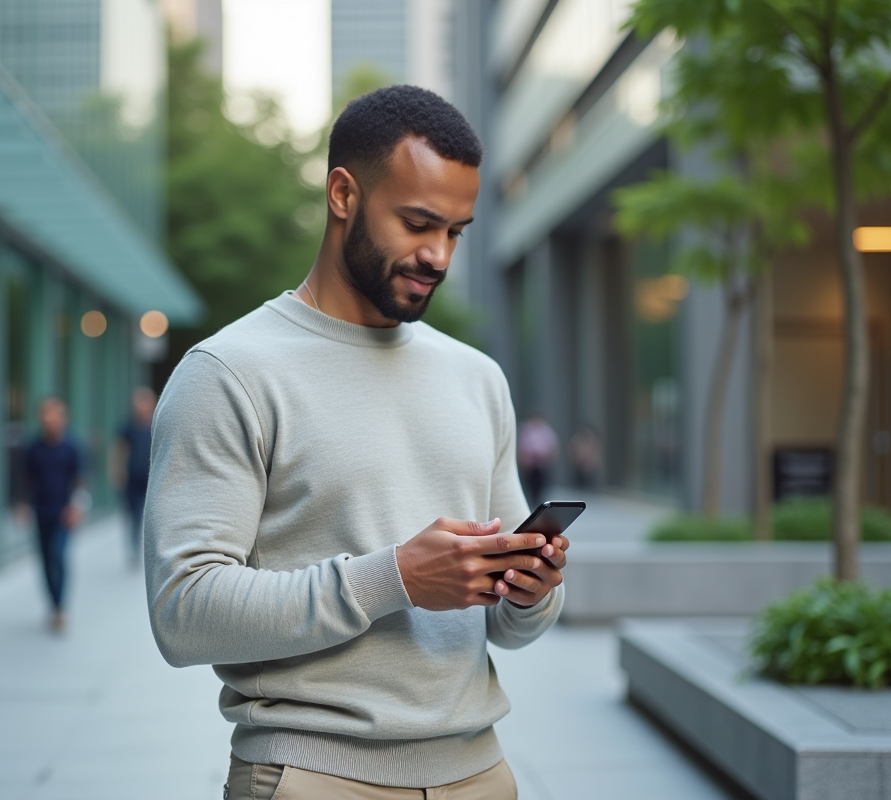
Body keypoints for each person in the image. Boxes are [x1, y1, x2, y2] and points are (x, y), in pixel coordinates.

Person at [146, 85, 567, 799]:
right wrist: (396, 578)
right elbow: (183, 612)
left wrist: (529, 592)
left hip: (480, 774)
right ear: (343, 193)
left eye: (455, 232)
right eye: (417, 223)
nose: (437, 255)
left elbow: (507, 627)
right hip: (313, 775)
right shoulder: (229, 372)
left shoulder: (477, 377)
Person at [24, 397, 84, 633]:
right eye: (45, 414)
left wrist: (77, 507)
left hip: (63, 513)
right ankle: (52, 604)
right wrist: (21, 504)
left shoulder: (71, 447)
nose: (49, 419)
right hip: (41, 511)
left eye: (54, 414)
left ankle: (60, 607)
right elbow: (26, 478)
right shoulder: (34, 447)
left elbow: (80, 480)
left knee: (58, 556)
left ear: (63, 417)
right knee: (45, 560)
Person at [113, 387, 155, 567]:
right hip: (132, 476)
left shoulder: (156, 424)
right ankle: (134, 548)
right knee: (133, 514)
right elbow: (119, 449)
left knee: (152, 515)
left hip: (152, 477)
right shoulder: (128, 426)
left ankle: (151, 551)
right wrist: (117, 469)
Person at [517, 412, 560, 506]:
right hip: (530, 467)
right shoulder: (527, 430)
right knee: (531, 488)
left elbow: (552, 448)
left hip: (542, 466)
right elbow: (522, 448)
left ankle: (539, 502)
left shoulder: (546, 431)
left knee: (541, 488)